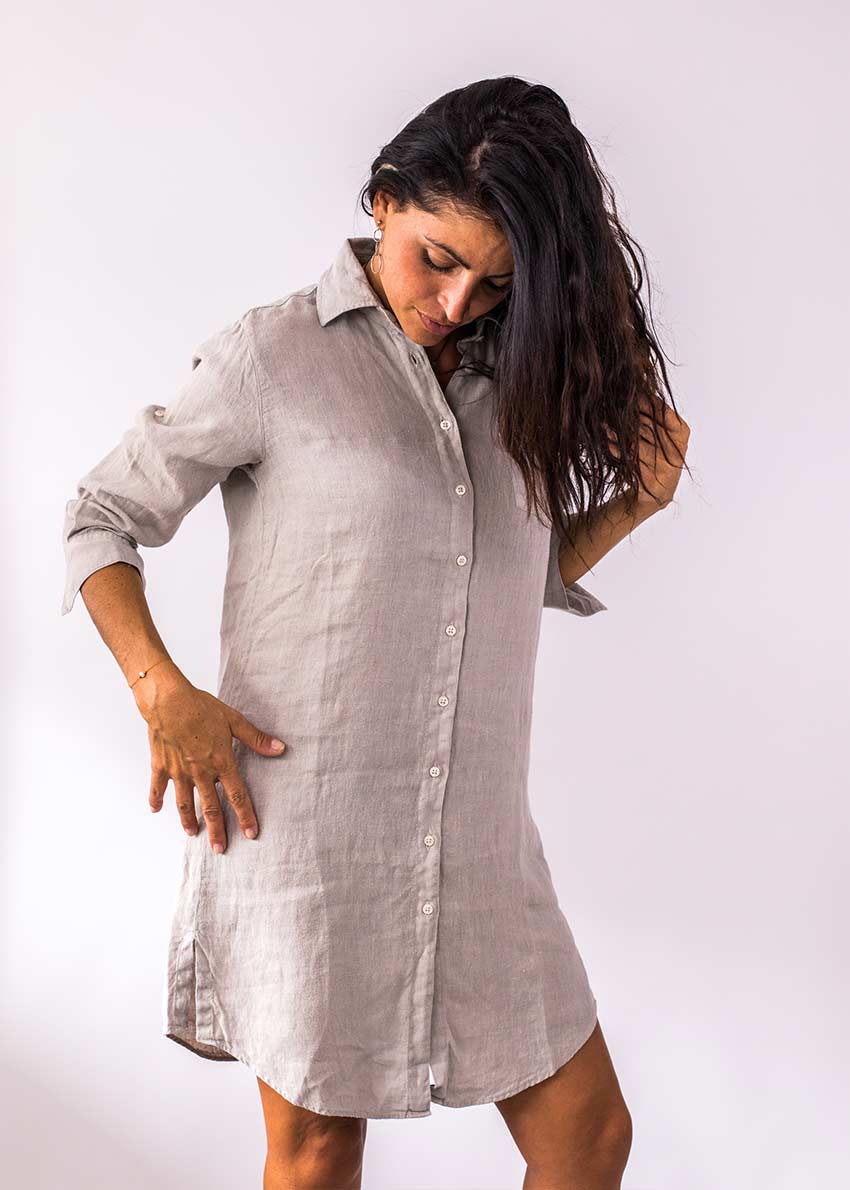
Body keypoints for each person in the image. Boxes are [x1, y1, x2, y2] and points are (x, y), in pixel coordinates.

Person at [61, 75, 690, 1190]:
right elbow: (102, 514)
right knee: (317, 1153)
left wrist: (635, 501)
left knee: (588, 1137)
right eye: (436, 259)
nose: (457, 301)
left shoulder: (511, 379)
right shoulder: (271, 356)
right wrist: (162, 692)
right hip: (312, 832)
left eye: (495, 281)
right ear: (383, 199)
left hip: (478, 842)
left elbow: (500, 574)